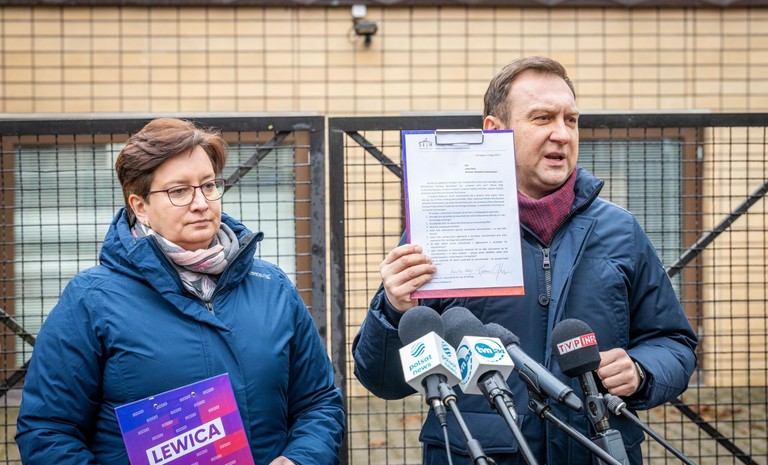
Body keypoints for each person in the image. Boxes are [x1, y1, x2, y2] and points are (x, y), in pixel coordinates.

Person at [352, 56, 698, 465]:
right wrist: (393, 310)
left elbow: (674, 344)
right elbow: (383, 380)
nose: (562, 134)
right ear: (494, 130)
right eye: (542, 118)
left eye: (571, 120)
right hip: (481, 455)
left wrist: (641, 370)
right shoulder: (441, 230)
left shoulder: (621, 230)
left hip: (598, 452)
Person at [16, 117, 345, 465]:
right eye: (179, 191)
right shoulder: (91, 300)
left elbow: (318, 402)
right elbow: (47, 431)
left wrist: (300, 459)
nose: (201, 202)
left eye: (209, 185)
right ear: (139, 206)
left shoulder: (272, 286)